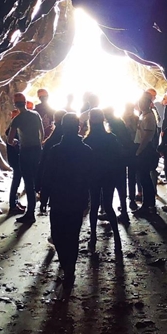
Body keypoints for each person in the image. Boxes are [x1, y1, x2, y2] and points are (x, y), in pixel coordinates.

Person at [42, 113, 92, 290]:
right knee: (73, 235)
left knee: (58, 234)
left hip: (58, 199)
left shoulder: (55, 150)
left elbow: (47, 176)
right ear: (78, 127)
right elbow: (90, 177)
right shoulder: (86, 150)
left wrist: (44, 198)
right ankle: (69, 268)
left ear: (62, 127)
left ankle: (66, 265)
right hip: (77, 199)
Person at [84, 109, 123, 249]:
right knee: (108, 206)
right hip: (108, 176)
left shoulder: (87, 140)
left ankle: (93, 237)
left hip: (93, 177)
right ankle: (117, 238)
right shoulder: (111, 138)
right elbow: (119, 157)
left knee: (94, 207)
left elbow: (84, 162)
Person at [7, 91, 44, 224]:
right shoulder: (35, 115)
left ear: (15, 105)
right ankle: (32, 210)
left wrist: (17, 142)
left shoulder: (17, 119)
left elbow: (10, 140)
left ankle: (30, 213)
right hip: (37, 150)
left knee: (28, 184)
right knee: (34, 182)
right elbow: (42, 132)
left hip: (26, 152)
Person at [103, 106, 132, 220]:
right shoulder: (118, 122)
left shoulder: (113, 125)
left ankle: (113, 212)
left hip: (115, 159)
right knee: (121, 186)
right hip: (121, 159)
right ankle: (123, 210)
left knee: (111, 187)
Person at [37, 109, 67, 213]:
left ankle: (44, 203)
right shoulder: (65, 133)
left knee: (48, 182)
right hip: (65, 170)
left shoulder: (54, 135)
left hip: (52, 167)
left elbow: (45, 155)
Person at [134, 93, 160, 213]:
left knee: (145, 178)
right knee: (144, 178)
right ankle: (148, 203)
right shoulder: (143, 115)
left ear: (148, 104)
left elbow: (147, 136)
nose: (140, 104)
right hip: (142, 148)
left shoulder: (149, 117)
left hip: (145, 149)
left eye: (143, 102)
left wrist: (139, 150)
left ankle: (148, 204)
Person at [5, 107, 24, 215]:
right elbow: (15, 144)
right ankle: (13, 205)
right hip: (16, 159)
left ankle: (15, 202)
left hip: (15, 159)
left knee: (17, 181)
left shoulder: (12, 129)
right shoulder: (13, 130)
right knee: (16, 181)